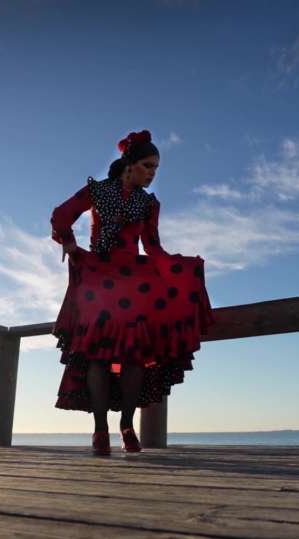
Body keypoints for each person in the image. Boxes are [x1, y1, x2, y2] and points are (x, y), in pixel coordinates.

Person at [50, 130, 213, 456]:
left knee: (135, 356)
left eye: (156, 167)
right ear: (130, 165)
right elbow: (61, 215)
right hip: (99, 278)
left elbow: (152, 247)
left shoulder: (149, 203)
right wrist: (68, 242)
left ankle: (126, 426)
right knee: (98, 355)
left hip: (131, 283)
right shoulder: (97, 190)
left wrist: (181, 266)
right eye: (148, 165)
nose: (153, 173)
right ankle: (100, 431)